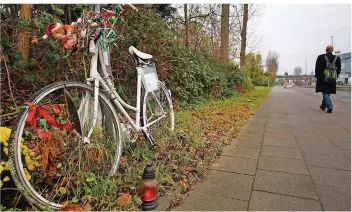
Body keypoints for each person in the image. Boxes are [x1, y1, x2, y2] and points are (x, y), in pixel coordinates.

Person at [315, 45, 341, 113]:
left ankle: (329, 106)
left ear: (326, 50)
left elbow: (317, 68)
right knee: (327, 92)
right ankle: (323, 106)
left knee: (325, 92)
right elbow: (339, 69)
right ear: (332, 50)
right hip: (332, 78)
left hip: (323, 78)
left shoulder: (321, 57)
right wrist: (335, 76)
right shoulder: (337, 58)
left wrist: (318, 76)